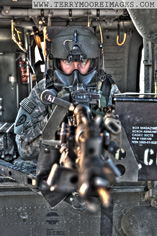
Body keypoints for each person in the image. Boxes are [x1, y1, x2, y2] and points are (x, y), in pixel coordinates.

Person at [14, 26, 120, 207]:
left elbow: (124, 142)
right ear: (56, 62)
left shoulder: (107, 90)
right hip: (51, 169)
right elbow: (24, 148)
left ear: (93, 62)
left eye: (83, 62)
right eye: (68, 63)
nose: (76, 70)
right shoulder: (43, 90)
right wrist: (54, 120)